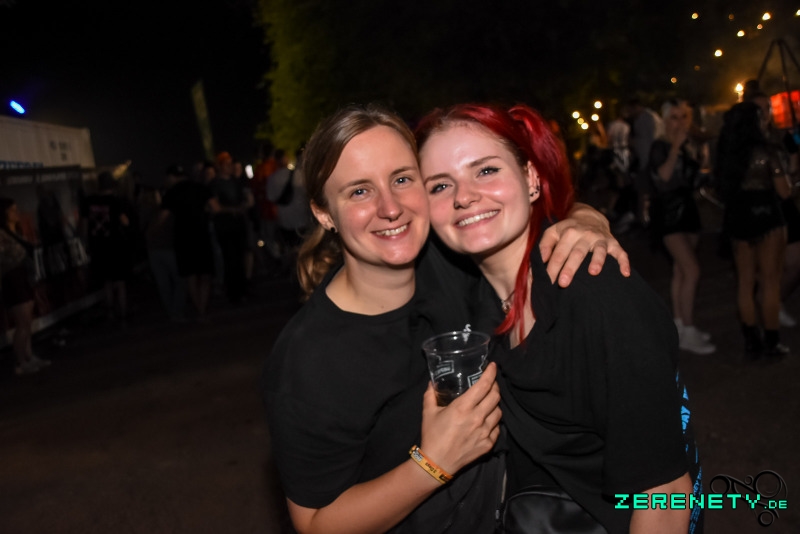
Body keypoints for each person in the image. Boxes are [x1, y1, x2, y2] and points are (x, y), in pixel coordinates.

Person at [262, 104, 630, 534]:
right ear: (325, 213)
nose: (390, 208)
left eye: (402, 179)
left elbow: (521, 208)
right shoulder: (308, 361)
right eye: (359, 191)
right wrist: (433, 464)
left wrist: (585, 219)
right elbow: (315, 524)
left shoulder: (456, 258)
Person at [416, 103, 701, 534]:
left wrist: (586, 217)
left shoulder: (595, 294)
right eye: (440, 185)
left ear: (531, 178)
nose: (463, 196)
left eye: (486, 170)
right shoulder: (468, 290)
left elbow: (665, 497)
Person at [717, 100, 792, 358]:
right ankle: (772, 340)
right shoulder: (767, 152)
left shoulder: (727, 155)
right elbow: (784, 191)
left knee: (745, 282)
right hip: (767, 215)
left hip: (739, 217)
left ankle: (751, 340)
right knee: (770, 282)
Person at [647, 99, 715, 354]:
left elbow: (695, 179)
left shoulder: (690, 145)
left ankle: (680, 325)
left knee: (680, 271)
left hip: (688, 210)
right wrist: (676, 147)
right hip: (668, 213)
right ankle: (688, 326)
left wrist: (700, 160)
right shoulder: (660, 146)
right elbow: (663, 177)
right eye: (674, 117)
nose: (680, 122)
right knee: (692, 269)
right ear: (665, 121)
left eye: (684, 116)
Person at [0, 197, 51, 375]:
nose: (17, 214)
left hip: (23, 276)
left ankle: (29, 356)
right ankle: (20, 361)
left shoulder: (14, 231)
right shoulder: (2, 234)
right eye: (12, 211)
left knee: (27, 321)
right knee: (22, 323)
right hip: (12, 278)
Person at [159, 165, 215, 321]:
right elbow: (214, 207)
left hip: (183, 238)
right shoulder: (200, 188)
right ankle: (202, 307)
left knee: (191, 275)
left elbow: (162, 217)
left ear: (171, 177)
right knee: (205, 274)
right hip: (202, 235)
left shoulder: (172, 192)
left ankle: (199, 308)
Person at [81, 171, 133, 323]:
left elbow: (84, 226)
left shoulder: (88, 201)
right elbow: (125, 222)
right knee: (120, 283)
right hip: (116, 246)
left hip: (98, 247)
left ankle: (110, 314)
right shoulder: (117, 201)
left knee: (107, 283)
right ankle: (123, 313)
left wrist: (86, 243)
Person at [208, 152, 251, 303]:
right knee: (229, 259)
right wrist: (234, 209)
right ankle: (233, 293)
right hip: (225, 227)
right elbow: (215, 207)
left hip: (239, 225)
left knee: (240, 258)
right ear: (220, 166)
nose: (230, 166)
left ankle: (242, 289)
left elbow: (247, 200)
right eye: (227, 164)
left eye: (231, 163)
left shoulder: (236, 182)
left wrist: (243, 207)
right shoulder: (214, 184)